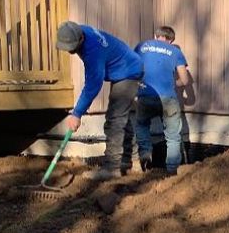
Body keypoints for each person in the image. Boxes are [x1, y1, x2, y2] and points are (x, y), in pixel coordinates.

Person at [57, 21, 144, 180]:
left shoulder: (92, 51)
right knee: (121, 117)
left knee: (114, 120)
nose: (71, 51)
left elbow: (93, 85)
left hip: (128, 72)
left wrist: (77, 113)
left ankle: (112, 167)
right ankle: (131, 160)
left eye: (72, 48)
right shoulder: (79, 30)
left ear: (80, 40)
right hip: (124, 69)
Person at [133, 25, 191, 174]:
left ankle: (145, 159)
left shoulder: (142, 46)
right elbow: (184, 80)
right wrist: (173, 84)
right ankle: (172, 171)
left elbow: (132, 68)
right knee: (172, 136)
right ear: (171, 41)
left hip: (145, 95)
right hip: (168, 98)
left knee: (142, 125)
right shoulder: (175, 52)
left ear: (155, 36)